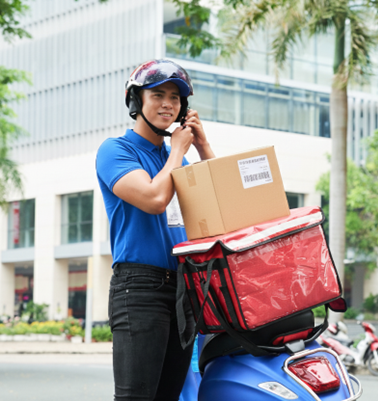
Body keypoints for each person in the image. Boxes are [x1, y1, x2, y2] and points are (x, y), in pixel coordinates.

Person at [96, 59, 215, 401]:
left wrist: (203, 146)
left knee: (168, 396)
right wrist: (177, 149)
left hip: (183, 289)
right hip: (139, 288)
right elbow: (154, 199)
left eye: (176, 98)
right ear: (135, 101)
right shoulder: (116, 150)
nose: (168, 104)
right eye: (158, 95)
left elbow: (221, 204)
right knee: (137, 397)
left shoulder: (178, 160)